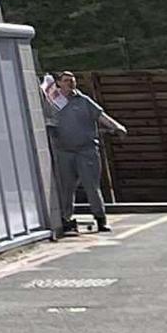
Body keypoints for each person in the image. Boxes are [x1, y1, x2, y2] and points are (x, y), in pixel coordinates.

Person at [43, 71, 126, 234]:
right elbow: (47, 122)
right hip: (64, 151)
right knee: (66, 188)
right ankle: (66, 219)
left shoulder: (83, 101)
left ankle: (100, 219)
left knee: (92, 186)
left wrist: (116, 127)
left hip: (86, 150)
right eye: (66, 81)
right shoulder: (53, 102)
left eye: (72, 80)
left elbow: (101, 116)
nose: (71, 83)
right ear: (59, 84)